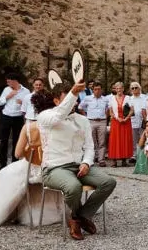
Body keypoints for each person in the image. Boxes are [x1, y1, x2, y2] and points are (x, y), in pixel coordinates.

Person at [0, 95, 62, 227]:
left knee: (7, 175)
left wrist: (30, 150)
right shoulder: (59, 127)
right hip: (52, 168)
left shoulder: (28, 127)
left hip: (32, 168)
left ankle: (8, 211)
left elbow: (18, 153)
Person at [37, 80, 117, 240]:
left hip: (78, 166)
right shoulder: (45, 116)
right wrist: (73, 92)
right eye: (68, 98)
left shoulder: (83, 120)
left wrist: (87, 162)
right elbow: (59, 115)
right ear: (56, 101)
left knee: (108, 182)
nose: (73, 101)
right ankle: (75, 218)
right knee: (74, 187)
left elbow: (89, 146)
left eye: (75, 98)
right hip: (54, 168)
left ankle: (80, 217)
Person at [0, 71, 31, 169]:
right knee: (4, 141)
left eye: (9, 81)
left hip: (18, 118)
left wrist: (22, 103)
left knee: (17, 141)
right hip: (6, 116)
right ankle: (2, 165)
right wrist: (8, 96)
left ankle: (14, 164)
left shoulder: (26, 91)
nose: (7, 83)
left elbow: (28, 105)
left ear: (15, 81)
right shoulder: (6, 90)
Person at [78, 82, 110, 166]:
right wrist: (85, 116)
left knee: (102, 141)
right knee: (91, 141)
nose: (97, 91)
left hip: (102, 121)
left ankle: (101, 160)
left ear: (101, 90)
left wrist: (106, 116)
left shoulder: (105, 99)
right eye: (95, 89)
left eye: (99, 89)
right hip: (91, 121)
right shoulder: (87, 98)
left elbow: (109, 108)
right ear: (93, 90)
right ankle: (92, 159)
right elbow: (80, 107)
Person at [107, 81, 133, 167]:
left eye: (120, 88)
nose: (118, 90)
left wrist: (126, 118)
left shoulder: (128, 98)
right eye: (117, 88)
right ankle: (114, 160)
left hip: (126, 121)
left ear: (123, 89)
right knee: (115, 140)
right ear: (115, 89)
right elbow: (110, 112)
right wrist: (117, 118)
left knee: (124, 139)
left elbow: (132, 110)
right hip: (116, 121)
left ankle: (124, 160)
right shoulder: (111, 98)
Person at [127, 82, 148, 164]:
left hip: (143, 121)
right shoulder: (129, 99)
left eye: (136, 87)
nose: (134, 89)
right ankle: (135, 155)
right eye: (132, 88)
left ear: (140, 88)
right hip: (133, 121)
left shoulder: (145, 97)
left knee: (143, 138)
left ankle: (143, 155)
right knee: (134, 139)